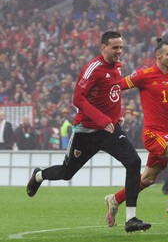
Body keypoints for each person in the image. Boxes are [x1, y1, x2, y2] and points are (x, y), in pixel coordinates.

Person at [26, 31, 151, 233]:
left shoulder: (117, 67)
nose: (119, 51)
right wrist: (102, 119)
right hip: (87, 131)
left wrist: (117, 114)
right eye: (115, 47)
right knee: (67, 173)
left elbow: (111, 92)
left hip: (110, 130)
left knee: (134, 162)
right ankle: (39, 176)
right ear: (103, 48)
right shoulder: (93, 68)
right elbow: (78, 99)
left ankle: (131, 219)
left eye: (121, 47)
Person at [104, 38, 168, 227]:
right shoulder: (143, 75)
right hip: (153, 134)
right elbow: (116, 87)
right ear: (158, 55)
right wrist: (112, 111)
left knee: (147, 179)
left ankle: (115, 200)